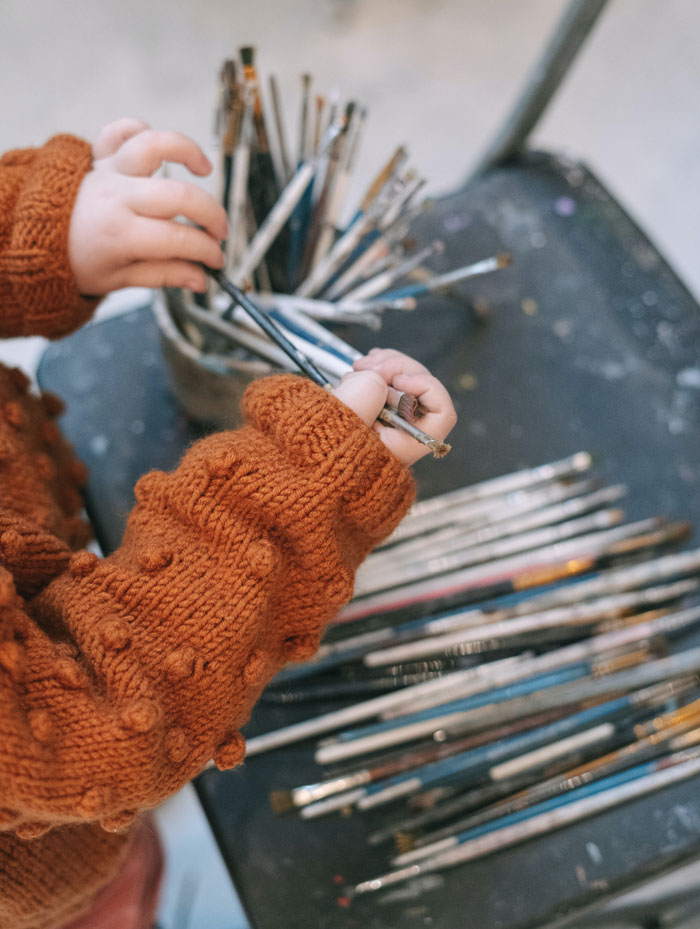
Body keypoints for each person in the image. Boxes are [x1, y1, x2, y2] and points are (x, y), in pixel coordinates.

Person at [0, 118, 457, 929]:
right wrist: (294, 495)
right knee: (95, 877)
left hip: (39, 573)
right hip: (44, 850)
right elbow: (100, 719)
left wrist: (32, 229)